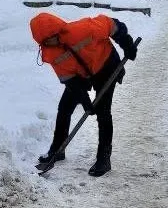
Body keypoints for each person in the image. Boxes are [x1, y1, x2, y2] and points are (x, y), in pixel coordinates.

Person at [30, 11, 138, 177]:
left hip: (105, 66)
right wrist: (84, 99)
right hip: (80, 75)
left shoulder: (83, 29)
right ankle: (58, 149)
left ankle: (104, 158)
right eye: (45, 41)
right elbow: (68, 79)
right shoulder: (50, 52)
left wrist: (127, 44)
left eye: (51, 37)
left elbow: (113, 25)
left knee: (103, 111)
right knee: (64, 107)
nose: (49, 43)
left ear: (58, 30)